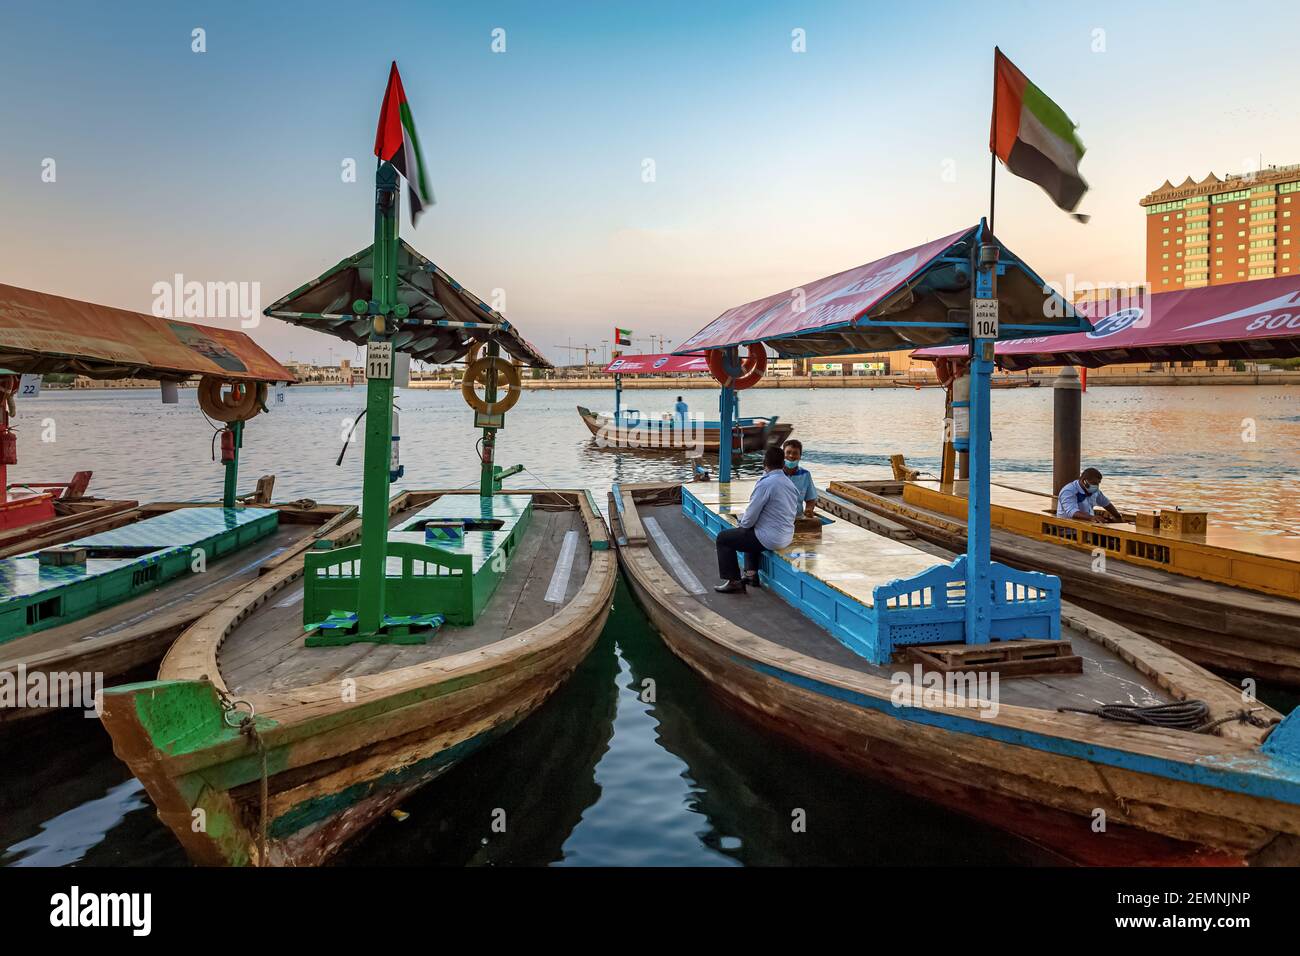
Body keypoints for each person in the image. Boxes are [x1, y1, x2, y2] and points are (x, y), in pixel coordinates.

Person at [714, 445, 799, 593]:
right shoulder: (789, 483)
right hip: (787, 536)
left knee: (724, 538)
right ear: (783, 463)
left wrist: (741, 522)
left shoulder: (766, 483)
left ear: (764, 464)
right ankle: (751, 575)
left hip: (770, 538)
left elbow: (750, 517)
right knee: (752, 531)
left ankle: (734, 581)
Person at [1057, 467, 1123, 524]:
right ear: (1084, 481)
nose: (1096, 486)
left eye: (1098, 483)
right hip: (1070, 529)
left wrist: (1118, 516)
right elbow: (1072, 512)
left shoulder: (1095, 491)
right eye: (1094, 483)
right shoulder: (1069, 491)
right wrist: (1092, 517)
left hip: (1088, 525)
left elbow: (1106, 504)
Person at [781, 438, 819, 518]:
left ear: (800, 456)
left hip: (797, 519)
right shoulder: (775, 474)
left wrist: (809, 510)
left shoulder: (805, 475)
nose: (791, 456)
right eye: (788, 452)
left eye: (795, 453)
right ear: (782, 455)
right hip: (778, 520)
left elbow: (811, 499)